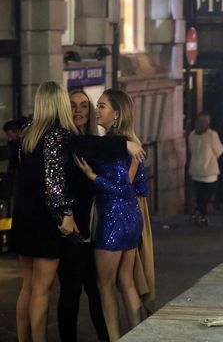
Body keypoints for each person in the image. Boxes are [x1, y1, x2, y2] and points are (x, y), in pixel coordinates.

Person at [73, 89, 148, 341]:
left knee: (104, 287)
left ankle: (115, 338)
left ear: (116, 113)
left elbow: (122, 189)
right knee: (126, 283)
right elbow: (141, 187)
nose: (96, 111)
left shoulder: (114, 146)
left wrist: (93, 177)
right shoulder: (132, 142)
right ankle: (141, 336)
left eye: (101, 106)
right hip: (132, 219)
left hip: (112, 221)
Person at [11, 82, 81, 342]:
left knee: (27, 286)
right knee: (42, 288)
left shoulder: (28, 134)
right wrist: (66, 213)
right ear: (60, 102)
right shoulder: (57, 135)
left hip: (24, 216)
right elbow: (54, 184)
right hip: (44, 222)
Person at [57, 89, 109, 342]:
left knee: (96, 290)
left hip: (92, 229)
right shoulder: (63, 142)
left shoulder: (92, 142)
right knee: (71, 291)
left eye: (84, 106)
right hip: (70, 230)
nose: (78, 110)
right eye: (73, 106)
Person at [188, 112, 223, 226]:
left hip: (195, 169)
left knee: (200, 193)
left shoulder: (192, 135)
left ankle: (200, 213)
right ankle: (201, 213)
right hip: (209, 170)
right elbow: (219, 151)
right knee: (207, 194)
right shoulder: (212, 135)